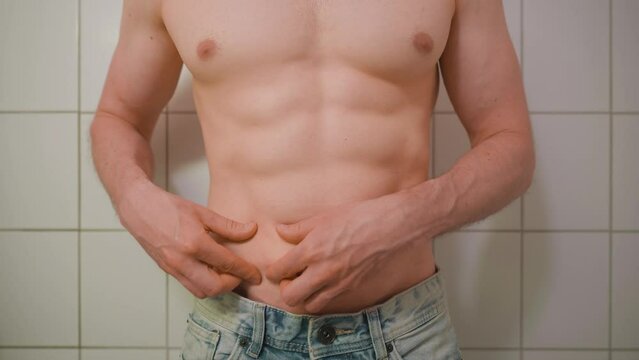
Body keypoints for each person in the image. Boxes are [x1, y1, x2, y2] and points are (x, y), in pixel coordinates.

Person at [90, 0, 534, 358]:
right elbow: (119, 117)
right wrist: (135, 202)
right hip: (238, 334)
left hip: (403, 333)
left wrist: (400, 221)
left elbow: (510, 145)